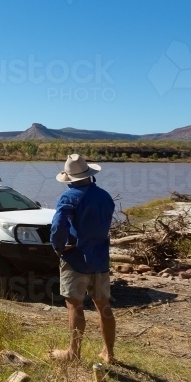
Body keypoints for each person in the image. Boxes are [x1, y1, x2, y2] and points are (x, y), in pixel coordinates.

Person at [48, 154, 117, 364]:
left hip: (76, 257)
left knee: (74, 305)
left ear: (69, 178)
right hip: (100, 257)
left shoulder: (69, 198)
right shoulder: (105, 196)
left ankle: (73, 353)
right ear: (89, 174)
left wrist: (58, 248)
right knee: (103, 305)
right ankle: (109, 353)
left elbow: (58, 226)